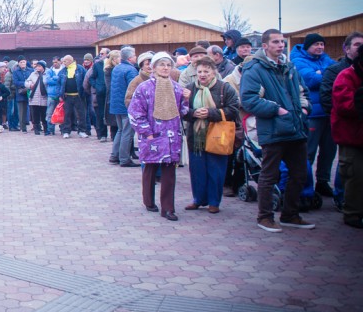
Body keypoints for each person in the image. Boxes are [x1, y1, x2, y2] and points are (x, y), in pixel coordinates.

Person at [240, 29, 314, 232]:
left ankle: (290, 214)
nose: (280, 45)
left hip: (296, 129)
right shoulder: (255, 68)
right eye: (275, 42)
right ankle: (264, 217)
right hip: (273, 130)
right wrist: (277, 110)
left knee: (299, 174)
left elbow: (303, 92)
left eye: (282, 41)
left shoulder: (289, 66)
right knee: (269, 175)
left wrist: (304, 109)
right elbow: (249, 99)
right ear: (265, 45)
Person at [128, 53, 190, 221]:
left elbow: (183, 112)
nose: (165, 68)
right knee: (150, 169)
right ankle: (149, 201)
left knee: (169, 173)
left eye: (168, 65)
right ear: (154, 67)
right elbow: (135, 112)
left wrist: (186, 100)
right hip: (152, 135)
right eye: (162, 64)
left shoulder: (177, 88)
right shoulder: (144, 88)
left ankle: (168, 208)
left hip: (171, 137)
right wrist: (146, 132)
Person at [182, 58, 240, 214]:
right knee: (197, 170)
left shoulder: (224, 88)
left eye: (206, 71)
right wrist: (193, 113)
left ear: (214, 72)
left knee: (216, 170)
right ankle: (198, 199)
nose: (202, 75)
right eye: (199, 71)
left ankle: (214, 201)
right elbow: (182, 111)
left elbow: (233, 109)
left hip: (218, 135)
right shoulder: (189, 88)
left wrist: (210, 113)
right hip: (196, 136)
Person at [290, 33, 337, 198]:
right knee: (308, 151)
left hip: (329, 112)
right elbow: (310, 80)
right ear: (307, 46)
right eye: (316, 44)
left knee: (329, 151)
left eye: (322, 44)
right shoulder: (298, 60)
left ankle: (323, 182)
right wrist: (326, 75)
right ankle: (304, 185)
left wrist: (320, 73)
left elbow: (337, 74)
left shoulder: (326, 59)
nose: (320, 47)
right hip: (312, 114)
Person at [331, 52, 363, 228]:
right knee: (355, 176)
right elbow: (345, 107)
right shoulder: (346, 76)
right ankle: (352, 214)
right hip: (351, 137)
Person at [109, 48, 139, 167]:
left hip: (116, 104)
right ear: (130, 58)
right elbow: (133, 89)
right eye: (134, 55)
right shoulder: (131, 70)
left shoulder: (117, 68)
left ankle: (114, 155)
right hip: (126, 105)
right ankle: (124, 158)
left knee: (120, 130)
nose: (136, 57)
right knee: (127, 132)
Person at [56, 55, 87, 139]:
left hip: (79, 96)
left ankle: (82, 131)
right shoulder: (62, 71)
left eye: (65, 61)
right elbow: (58, 84)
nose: (63, 63)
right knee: (67, 114)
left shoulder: (80, 69)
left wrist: (85, 92)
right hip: (67, 96)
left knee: (81, 114)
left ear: (70, 61)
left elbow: (85, 81)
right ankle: (66, 131)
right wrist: (60, 95)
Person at [87, 50, 109, 141]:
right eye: (100, 53)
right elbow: (91, 78)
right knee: (100, 114)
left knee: (112, 114)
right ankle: (102, 135)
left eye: (102, 53)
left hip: (111, 93)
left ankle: (114, 135)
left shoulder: (113, 65)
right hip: (101, 93)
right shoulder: (97, 65)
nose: (100, 55)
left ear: (108, 54)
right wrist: (97, 86)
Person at [25, 61, 50, 136]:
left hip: (44, 97)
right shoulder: (33, 74)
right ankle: (36, 129)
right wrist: (30, 85)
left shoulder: (47, 74)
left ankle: (46, 129)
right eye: (37, 66)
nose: (38, 68)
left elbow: (49, 83)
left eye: (40, 66)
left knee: (44, 114)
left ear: (43, 67)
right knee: (35, 114)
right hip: (34, 97)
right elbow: (26, 82)